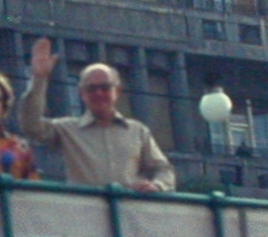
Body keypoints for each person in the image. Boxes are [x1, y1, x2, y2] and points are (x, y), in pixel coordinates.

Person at [18, 37, 175, 192]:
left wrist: (157, 186)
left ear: (117, 91)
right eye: (91, 89)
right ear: (81, 93)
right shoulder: (67, 129)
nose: (98, 93)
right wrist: (39, 79)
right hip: (85, 212)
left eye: (105, 87)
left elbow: (163, 169)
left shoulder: (138, 131)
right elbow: (31, 126)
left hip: (129, 211)